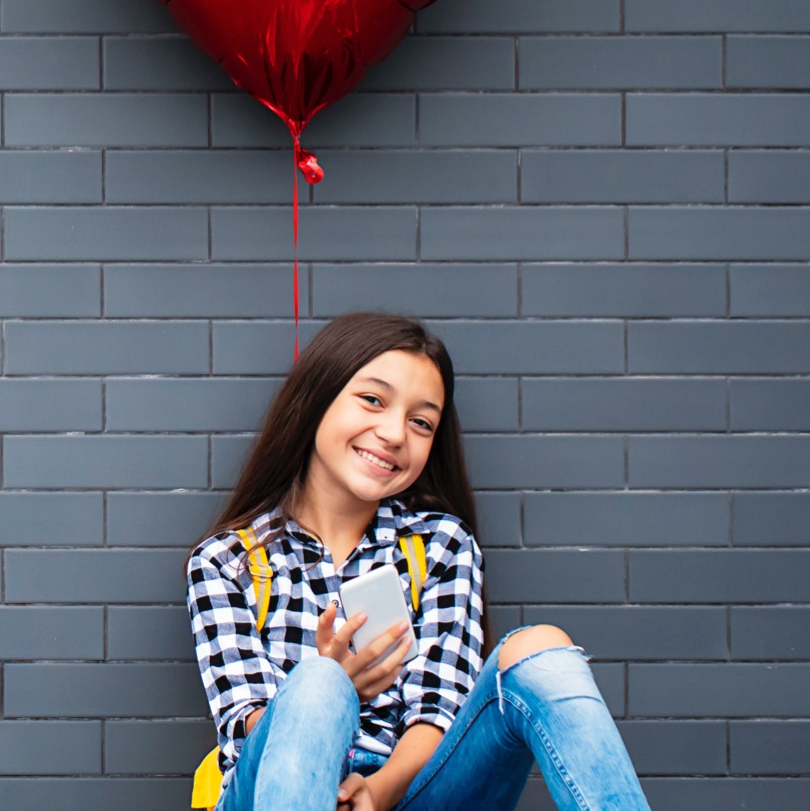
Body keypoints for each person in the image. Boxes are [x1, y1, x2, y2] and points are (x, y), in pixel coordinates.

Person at [187, 312, 650, 811]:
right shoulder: (227, 561)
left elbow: (440, 709)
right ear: (317, 399)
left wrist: (377, 792)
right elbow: (244, 724)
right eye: (372, 400)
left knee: (542, 647)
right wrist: (332, 688)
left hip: (409, 793)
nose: (393, 433)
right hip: (274, 791)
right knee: (320, 681)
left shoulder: (441, 546)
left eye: (421, 422)